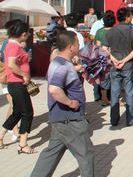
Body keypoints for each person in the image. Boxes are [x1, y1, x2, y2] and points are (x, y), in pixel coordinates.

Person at [30, 31, 94, 177]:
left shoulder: (59, 62)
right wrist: (71, 103)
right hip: (69, 119)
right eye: (77, 43)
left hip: (60, 118)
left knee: (51, 153)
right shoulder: (62, 66)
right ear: (71, 47)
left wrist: (76, 69)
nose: (79, 45)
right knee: (86, 154)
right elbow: (54, 89)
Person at [0, 20, 34, 153]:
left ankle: (1, 136)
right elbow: (11, 65)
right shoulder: (13, 46)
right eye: (28, 33)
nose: (29, 36)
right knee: (27, 113)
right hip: (17, 83)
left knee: (17, 112)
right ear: (23, 34)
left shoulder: (14, 45)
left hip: (16, 83)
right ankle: (23, 144)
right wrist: (24, 75)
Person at [103, 8, 133, 127]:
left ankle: (114, 120)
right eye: (130, 16)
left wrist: (114, 59)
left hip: (114, 66)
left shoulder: (110, 31)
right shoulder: (132, 31)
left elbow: (104, 49)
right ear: (127, 17)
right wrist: (124, 60)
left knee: (114, 93)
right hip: (128, 65)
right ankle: (130, 119)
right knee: (129, 93)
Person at [94, 11, 116, 106]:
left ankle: (104, 99)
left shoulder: (100, 32)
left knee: (104, 79)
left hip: (103, 58)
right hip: (115, 58)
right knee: (115, 79)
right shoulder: (116, 31)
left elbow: (97, 46)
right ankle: (115, 99)